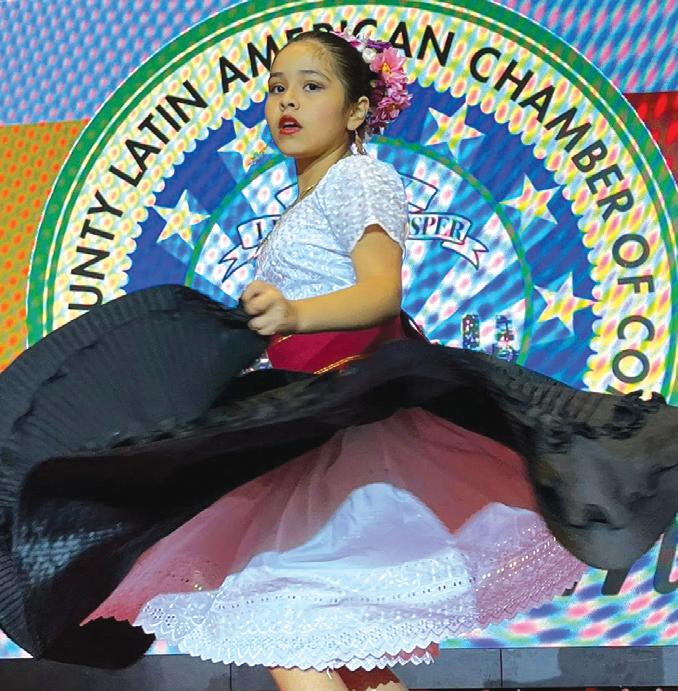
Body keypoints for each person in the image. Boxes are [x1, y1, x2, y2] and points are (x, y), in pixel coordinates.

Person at [0, 27, 676, 691]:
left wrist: (294, 315)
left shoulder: (358, 178)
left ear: (356, 111)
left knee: (284, 627)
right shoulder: (310, 200)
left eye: (311, 86)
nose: (287, 101)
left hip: (348, 441)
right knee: (340, 652)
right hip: (309, 433)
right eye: (276, 88)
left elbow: (381, 292)